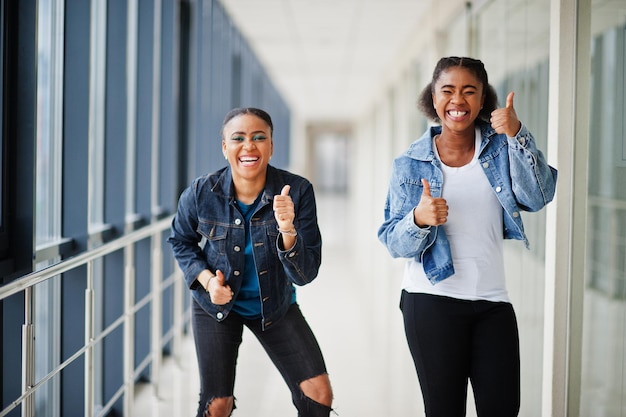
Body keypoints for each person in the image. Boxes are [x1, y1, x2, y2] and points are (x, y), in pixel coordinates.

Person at [377, 57, 557, 417]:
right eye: (448, 90)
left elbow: (538, 196)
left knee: (503, 408)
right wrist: (419, 219)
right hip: (431, 301)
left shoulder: (502, 147)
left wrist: (517, 133)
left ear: (482, 99)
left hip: (493, 302)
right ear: (433, 97)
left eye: (468, 91)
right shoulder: (409, 164)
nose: (457, 100)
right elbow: (392, 240)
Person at [168, 107, 333, 417]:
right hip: (215, 307)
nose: (249, 146)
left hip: (275, 304)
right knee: (218, 405)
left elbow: (306, 274)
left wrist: (287, 229)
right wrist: (207, 281)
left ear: (271, 146)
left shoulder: (297, 191)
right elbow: (180, 240)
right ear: (224, 147)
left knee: (318, 392)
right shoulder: (201, 193)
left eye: (259, 138)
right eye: (238, 138)